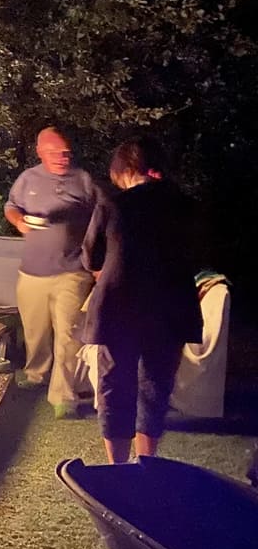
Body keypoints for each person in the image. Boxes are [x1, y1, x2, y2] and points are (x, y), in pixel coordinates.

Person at [81, 137, 202, 463]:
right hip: (171, 310)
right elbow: (202, 254)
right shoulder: (187, 206)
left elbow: (91, 258)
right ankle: (146, 466)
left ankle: (118, 468)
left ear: (125, 170)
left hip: (119, 307)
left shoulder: (113, 204)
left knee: (115, 387)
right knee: (154, 387)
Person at [4, 126, 99, 418]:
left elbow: (102, 217)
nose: (62, 157)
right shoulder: (28, 179)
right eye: (55, 152)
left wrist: (97, 261)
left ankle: (64, 396)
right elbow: (11, 205)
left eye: (66, 152)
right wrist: (19, 221)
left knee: (69, 335)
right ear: (40, 152)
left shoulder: (83, 181)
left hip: (71, 270)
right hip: (32, 272)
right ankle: (36, 375)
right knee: (35, 332)